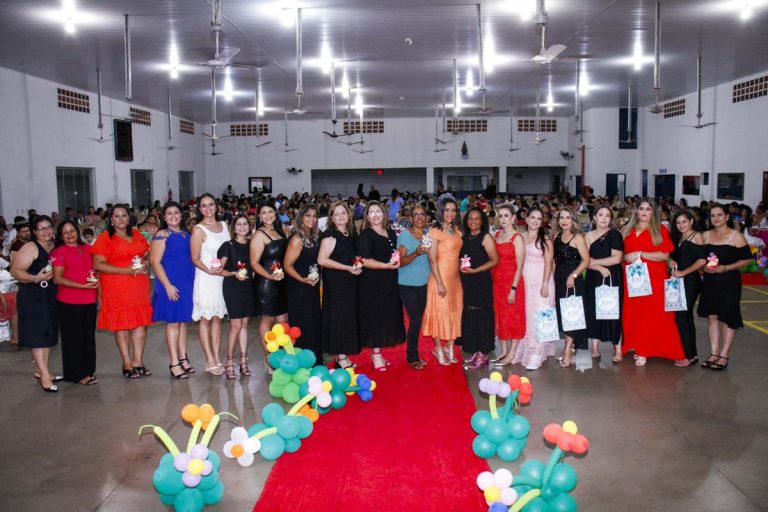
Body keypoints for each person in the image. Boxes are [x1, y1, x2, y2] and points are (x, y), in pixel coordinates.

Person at [92, 205, 153, 379]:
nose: (121, 219)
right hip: (116, 286)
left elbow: (147, 253)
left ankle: (138, 361)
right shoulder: (105, 238)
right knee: (122, 324)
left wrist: (146, 262)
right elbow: (98, 264)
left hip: (138, 286)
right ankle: (126, 362)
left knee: (140, 323)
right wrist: (126, 270)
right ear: (111, 220)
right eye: (117, 216)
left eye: (124, 216)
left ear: (129, 218)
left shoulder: (136, 234)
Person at [621, 198, 684, 367]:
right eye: (641, 208)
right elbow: (621, 255)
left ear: (653, 212)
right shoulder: (626, 230)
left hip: (654, 278)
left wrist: (641, 254)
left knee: (652, 314)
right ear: (636, 210)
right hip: (633, 279)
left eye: (648, 209)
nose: (644, 212)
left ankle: (645, 350)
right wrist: (626, 256)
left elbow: (664, 256)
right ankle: (637, 344)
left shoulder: (660, 230)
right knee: (634, 313)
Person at [696, 204, 753, 371]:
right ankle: (714, 353)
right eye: (713, 215)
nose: (716, 218)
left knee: (728, 318)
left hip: (729, 282)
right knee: (712, 317)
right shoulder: (705, 235)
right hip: (710, 282)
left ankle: (724, 355)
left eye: (719, 215)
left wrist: (727, 267)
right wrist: (702, 267)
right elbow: (700, 258)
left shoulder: (736, 237)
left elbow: (748, 259)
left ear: (727, 217)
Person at [10, 216, 59, 392]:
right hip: (33, 297)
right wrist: (34, 278)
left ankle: (42, 370)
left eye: (48, 227)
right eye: (41, 228)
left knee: (47, 334)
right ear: (34, 232)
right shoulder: (31, 247)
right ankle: (44, 376)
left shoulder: (54, 246)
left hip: (50, 296)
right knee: (38, 336)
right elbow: (15, 271)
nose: (46, 231)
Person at [149, 202, 196, 379]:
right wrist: (168, 285)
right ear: (163, 217)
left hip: (185, 284)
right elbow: (155, 262)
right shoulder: (162, 235)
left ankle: (183, 357)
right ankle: (174, 362)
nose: (173, 216)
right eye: (169, 213)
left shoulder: (185, 234)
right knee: (173, 323)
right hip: (170, 284)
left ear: (181, 215)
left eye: (176, 213)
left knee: (182, 322)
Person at [357, 201, 405, 371]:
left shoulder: (391, 232)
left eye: (378, 211)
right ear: (367, 216)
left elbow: (395, 253)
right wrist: (386, 265)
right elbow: (364, 260)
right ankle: (376, 353)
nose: (375, 215)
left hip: (389, 281)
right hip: (372, 282)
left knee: (386, 315)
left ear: (384, 214)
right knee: (374, 317)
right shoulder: (366, 235)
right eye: (371, 212)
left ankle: (378, 353)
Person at [50, 220, 99, 385]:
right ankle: (77, 374)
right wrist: (82, 286)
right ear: (60, 236)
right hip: (69, 302)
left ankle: (88, 370)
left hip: (89, 300)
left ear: (78, 232)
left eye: (72, 231)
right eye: (65, 232)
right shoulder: (59, 252)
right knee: (73, 339)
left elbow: (96, 271)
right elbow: (57, 279)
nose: (70, 235)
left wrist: (98, 294)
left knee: (88, 337)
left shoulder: (88, 249)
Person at [510, 207, 556, 370]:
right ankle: (524, 350)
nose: (535, 221)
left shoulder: (545, 239)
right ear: (526, 219)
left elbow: (549, 263)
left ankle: (537, 353)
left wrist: (545, 284)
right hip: (526, 281)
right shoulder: (520, 237)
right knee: (527, 316)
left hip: (542, 281)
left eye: (539, 218)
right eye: (533, 218)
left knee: (541, 315)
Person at [318, 201, 361, 368]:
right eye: (336, 214)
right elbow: (322, 260)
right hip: (337, 283)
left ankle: (343, 355)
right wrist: (347, 268)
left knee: (347, 317)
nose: (341, 216)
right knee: (339, 318)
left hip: (349, 281)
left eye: (343, 212)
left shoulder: (350, 234)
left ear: (349, 215)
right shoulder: (330, 235)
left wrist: (356, 266)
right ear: (331, 218)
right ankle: (341, 356)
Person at [190, 193, 230, 375]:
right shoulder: (198, 230)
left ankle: (216, 355)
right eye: (204, 205)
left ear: (216, 206)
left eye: (211, 204)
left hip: (222, 277)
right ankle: (209, 358)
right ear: (200, 209)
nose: (208, 208)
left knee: (217, 318)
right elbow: (195, 258)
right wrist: (209, 270)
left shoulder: (224, 226)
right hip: (207, 278)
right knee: (206, 319)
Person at [422, 194, 463, 365]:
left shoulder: (457, 230)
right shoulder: (435, 232)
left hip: (455, 279)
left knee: (455, 311)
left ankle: (450, 347)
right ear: (441, 211)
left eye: (453, 210)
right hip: (439, 278)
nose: (450, 213)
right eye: (447, 210)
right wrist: (439, 283)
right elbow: (432, 259)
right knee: (439, 313)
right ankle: (438, 349)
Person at [457, 207, 498, 369]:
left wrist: (476, 270)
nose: (473, 221)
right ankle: (475, 349)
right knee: (471, 314)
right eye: (470, 218)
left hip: (481, 280)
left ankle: (483, 352)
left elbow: (494, 260)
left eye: (477, 218)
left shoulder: (485, 237)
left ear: (482, 221)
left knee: (483, 315)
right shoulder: (465, 237)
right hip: (467, 281)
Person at [250, 200, 289, 373]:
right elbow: (254, 263)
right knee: (267, 320)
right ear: (259, 216)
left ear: (275, 213)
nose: (267, 216)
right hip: (266, 284)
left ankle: (282, 357)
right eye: (264, 213)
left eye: (270, 212)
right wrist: (270, 276)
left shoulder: (280, 231)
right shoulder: (259, 235)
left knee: (283, 320)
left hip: (282, 283)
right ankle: (269, 359)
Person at [583, 206, 625, 363]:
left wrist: (595, 262)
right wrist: (599, 267)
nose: (604, 218)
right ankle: (594, 347)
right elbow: (584, 261)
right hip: (594, 277)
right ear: (594, 217)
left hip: (612, 277)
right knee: (594, 311)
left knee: (614, 312)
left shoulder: (615, 234)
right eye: (601, 215)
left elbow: (616, 258)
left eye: (608, 215)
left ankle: (618, 348)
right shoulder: (587, 236)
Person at [284, 204, 323, 364]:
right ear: (301, 217)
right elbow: (287, 265)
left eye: (314, 216)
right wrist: (302, 279)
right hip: (299, 288)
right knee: (302, 324)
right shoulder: (297, 239)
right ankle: (302, 362)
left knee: (313, 323)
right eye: (308, 215)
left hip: (312, 287)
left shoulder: (314, 236)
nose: (311, 219)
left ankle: (314, 360)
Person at [218, 213, 255, 379]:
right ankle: (229, 361)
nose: (242, 227)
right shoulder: (228, 245)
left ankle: (243, 360)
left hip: (248, 287)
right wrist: (234, 273)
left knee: (245, 325)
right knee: (235, 326)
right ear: (233, 228)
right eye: (238, 224)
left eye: (245, 224)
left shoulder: (252, 244)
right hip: (233, 287)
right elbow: (219, 269)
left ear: (249, 226)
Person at [668, 210, 707, 367]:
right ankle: (692, 354)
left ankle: (688, 356)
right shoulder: (680, 237)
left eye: (684, 221)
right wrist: (672, 262)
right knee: (687, 318)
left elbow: (702, 260)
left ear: (691, 221)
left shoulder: (696, 236)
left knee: (681, 318)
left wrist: (683, 272)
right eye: (678, 223)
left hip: (691, 282)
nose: (681, 225)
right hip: (679, 282)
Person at [553, 207, 590, 368]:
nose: (564, 221)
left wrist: (573, 275)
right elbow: (554, 261)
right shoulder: (556, 237)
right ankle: (569, 346)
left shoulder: (578, 238)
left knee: (571, 314)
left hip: (573, 280)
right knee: (563, 314)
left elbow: (586, 260)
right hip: (559, 278)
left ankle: (568, 349)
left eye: (568, 217)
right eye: (562, 217)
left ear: (573, 220)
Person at [492, 204, 526, 366]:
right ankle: (504, 350)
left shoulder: (517, 238)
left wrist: (513, 288)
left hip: (512, 283)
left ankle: (512, 353)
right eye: (500, 216)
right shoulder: (496, 235)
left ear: (513, 218)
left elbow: (520, 266)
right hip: (497, 282)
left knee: (513, 317)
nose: (503, 219)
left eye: (506, 216)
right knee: (500, 316)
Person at [397, 204, 430, 370]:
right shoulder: (405, 235)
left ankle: (413, 353)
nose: (419, 217)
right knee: (415, 319)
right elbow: (399, 262)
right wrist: (416, 253)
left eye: (422, 214)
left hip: (425, 284)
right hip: (407, 285)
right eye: (416, 215)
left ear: (427, 217)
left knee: (418, 320)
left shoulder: (429, 234)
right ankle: (412, 356)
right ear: (410, 218)